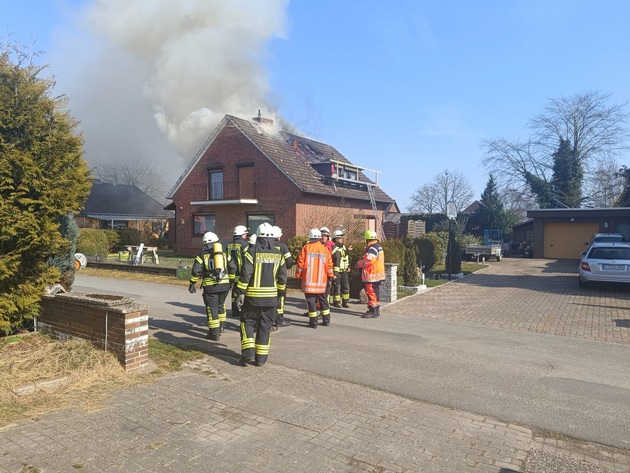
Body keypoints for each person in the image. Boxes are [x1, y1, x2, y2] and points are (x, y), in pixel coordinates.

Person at [233, 223, 287, 367]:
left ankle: (248, 353)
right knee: (265, 327)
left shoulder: (252, 252)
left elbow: (246, 274)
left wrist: (240, 293)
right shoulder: (278, 253)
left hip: (253, 298)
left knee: (247, 323)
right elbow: (283, 277)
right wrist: (280, 292)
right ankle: (261, 359)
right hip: (271, 299)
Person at [189, 232, 233, 340]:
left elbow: (196, 271)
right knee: (221, 305)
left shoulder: (202, 255)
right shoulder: (224, 254)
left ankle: (214, 333)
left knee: (212, 308)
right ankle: (222, 327)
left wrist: (192, 283)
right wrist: (231, 281)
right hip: (225, 286)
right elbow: (233, 267)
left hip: (211, 286)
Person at [296, 228, 334, 328]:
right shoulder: (324, 249)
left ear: (310, 237)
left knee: (311, 302)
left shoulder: (306, 248)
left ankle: (313, 323)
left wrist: (298, 275)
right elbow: (329, 265)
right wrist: (330, 276)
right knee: (323, 301)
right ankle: (326, 321)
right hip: (322, 282)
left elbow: (300, 263)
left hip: (309, 282)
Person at [356, 230, 385, 318]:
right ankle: (375, 309)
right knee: (375, 292)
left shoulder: (372, 248)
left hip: (371, 275)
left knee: (371, 292)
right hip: (377, 274)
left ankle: (373, 310)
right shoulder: (378, 246)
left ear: (367, 239)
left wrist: (358, 264)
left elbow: (368, 260)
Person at [271, 225, 293, 331]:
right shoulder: (283, 246)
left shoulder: (266, 246)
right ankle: (279, 320)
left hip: (267, 277)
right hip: (280, 277)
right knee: (280, 298)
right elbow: (289, 262)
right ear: (279, 236)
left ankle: (270, 318)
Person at [227, 225, 249, 319]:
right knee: (245, 291)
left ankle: (235, 311)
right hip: (242, 273)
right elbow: (248, 259)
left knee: (234, 292)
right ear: (242, 234)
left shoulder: (229, 244)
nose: (246, 236)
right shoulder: (245, 245)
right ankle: (244, 310)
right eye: (245, 234)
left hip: (232, 273)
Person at [331, 230, 352, 308]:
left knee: (346, 287)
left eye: (342, 238)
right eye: (340, 238)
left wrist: (348, 266)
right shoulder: (334, 247)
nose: (341, 239)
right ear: (335, 239)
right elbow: (337, 255)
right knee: (337, 287)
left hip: (344, 271)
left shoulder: (343, 246)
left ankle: (345, 302)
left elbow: (346, 257)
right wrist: (347, 251)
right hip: (337, 272)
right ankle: (336, 302)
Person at [320, 226, 334, 304]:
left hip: (327, 272)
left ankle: (324, 306)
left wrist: (333, 273)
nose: (323, 237)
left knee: (326, 290)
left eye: (325, 236)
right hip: (318, 271)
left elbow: (335, 260)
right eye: (322, 235)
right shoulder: (316, 245)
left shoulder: (332, 246)